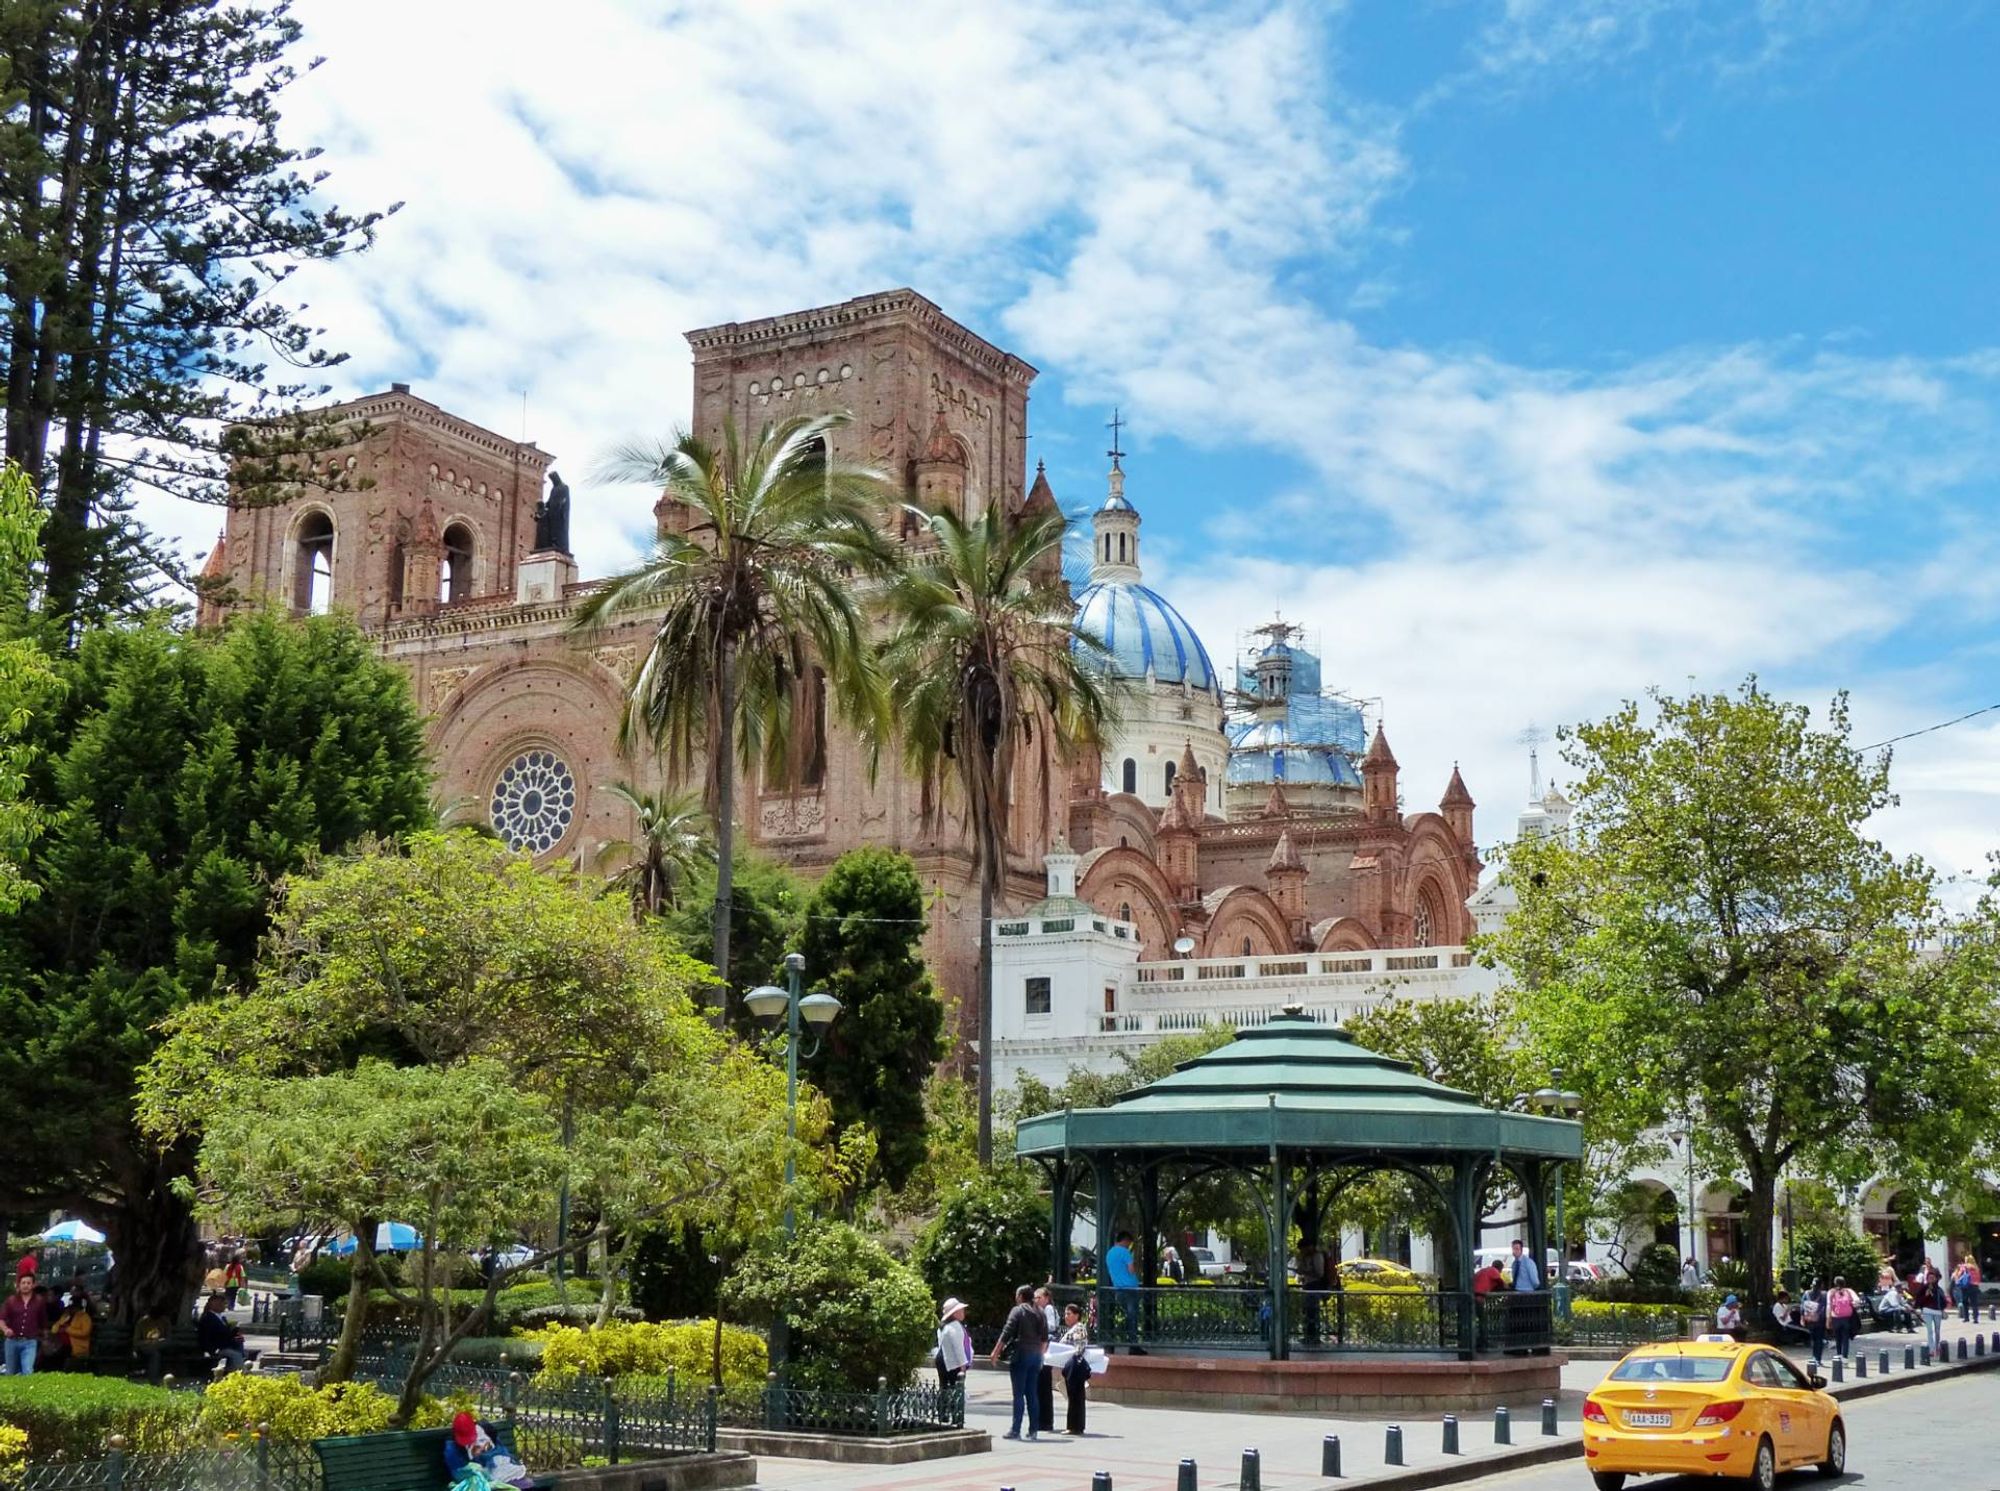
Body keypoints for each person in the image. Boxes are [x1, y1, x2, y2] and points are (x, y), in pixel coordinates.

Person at [990, 1284, 1049, 1442]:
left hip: (1021, 1354)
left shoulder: (1018, 1311)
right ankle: (1033, 1430)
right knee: (1032, 1394)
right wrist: (1040, 1356)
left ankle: (1016, 1429)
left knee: (1018, 1394)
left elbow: (1007, 1332)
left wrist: (995, 1352)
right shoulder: (1040, 1312)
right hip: (1036, 1355)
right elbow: (1045, 1338)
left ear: (1021, 1296)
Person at [444, 1411, 533, 1488]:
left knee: (521, 1482)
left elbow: (501, 1453)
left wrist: (485, 1453)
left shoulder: (485, 1432)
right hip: (477, 1478)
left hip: (495, 1469)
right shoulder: (451, 1448)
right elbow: (458, 1473)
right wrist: (473, 1469)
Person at [1, 1270, 48, 1375]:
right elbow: (1, 1319)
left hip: (30, 1342)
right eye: (23, 1283)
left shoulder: (39, 1301)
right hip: (12, 1341)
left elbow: (43, 1322)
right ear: (19, 1285)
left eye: (28, 1283)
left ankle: (27, 1391)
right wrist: (5, 1329)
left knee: (27, 1371)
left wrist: (45, 1339)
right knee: (10, 1372)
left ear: (33, 1285)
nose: (26, 1285)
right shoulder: (11, 1301)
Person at [1057, 1302, 1091, 1435]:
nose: (1066, 1316)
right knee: (1074, 1396)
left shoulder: (1078, 1328)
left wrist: (1073, 1356)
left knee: (1075, 1396)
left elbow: (1079, 1347)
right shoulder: (1073, 1328)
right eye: (1065, 1313)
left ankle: (1074, 1426)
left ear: (1077, 1315)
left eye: (1069, 1314)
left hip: (1075, 1365)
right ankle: (1076, 1426)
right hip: (1072, 1365)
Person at [1104, 1231, 1142, 1351]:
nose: (1129, 1245)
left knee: (1127, 1317)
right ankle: (1133, 1346)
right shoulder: (1125, 1252)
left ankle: (1114, 1341)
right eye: (1129, 1243)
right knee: (1133, 1318)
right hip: (1130, 1289)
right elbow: (1131, 1269)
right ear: (1125, 1241)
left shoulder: (1109, 1253)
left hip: (1118, 1290)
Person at [197, 1292, 247, 1374]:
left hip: (226, 1345)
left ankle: (233, 1374)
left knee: (241, 1350)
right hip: (217, 1348)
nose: (225, 1306)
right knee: (236, 1355)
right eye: (223, 1303)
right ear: (215, 1304)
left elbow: (226, 1334)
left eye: (225, 1303)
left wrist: (235, 1332)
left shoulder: (221, 1318)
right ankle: (241, 1375)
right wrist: (232, 1332)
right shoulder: (208, 1318)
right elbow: (214, 1336)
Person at [1033, 1286, 1059, 1433]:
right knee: (1041, 1386)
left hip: (1045, 1351)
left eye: (1039, 1298)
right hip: (1042, 1349)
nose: (1037, 1301)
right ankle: (1043, 1420)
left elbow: (1051, 1326)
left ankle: (1045, 1421)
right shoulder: (1042, 1310)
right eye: (1035, 1298)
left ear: (1046, 1298)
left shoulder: (1048, 1309)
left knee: (1043, 1386)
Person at [935, 1298, 972, 1394]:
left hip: (942, 1359)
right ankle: (952, 1408)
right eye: (961, 1310)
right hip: (953, 1362)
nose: (963, 1312)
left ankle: (942, 1408)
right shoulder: (955, 1326)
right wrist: (963, 1366)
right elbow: (958, 1348)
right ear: (954, 1313)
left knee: (943, 1388)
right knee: (955, 1389)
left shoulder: (943, 1326)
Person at [1912, 1264, 1946, 1356]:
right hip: (1927, 1311)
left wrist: (1942, 1309)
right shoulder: (1923, 1288)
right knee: (1930, 1330)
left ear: (1936, 1278)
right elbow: (1918, 1300)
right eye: (1929, 1278)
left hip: (1937, 1312)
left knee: (1937, 1331)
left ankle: (1937, 1347)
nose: (1930, 1279)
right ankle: (1931, 1349)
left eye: (1932, 1278)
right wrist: (1926, 1296)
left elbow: (1943, 1302)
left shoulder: (1938, 1290)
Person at [1826, 1275, 1861, 1359]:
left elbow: (1829, 1305)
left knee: (1838, 1338)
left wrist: (1828, 1319)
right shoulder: (1849, 1291)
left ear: (1835, 1283)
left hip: (1836, 1318)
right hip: (1847, 1318)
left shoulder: (1831, 1292)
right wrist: (1852, 1304)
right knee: (1845, 1338)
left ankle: (1839, 1355)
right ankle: (1845, 1357)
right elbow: (1857, 1301)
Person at [1798, 1279, 1828, 1365]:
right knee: (1819, 1339)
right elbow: (1826, 1307)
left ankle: (1814, 1357)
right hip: (1820, 1320)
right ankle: (1817, 1358)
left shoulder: (1806, 1293)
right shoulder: (1824, 1294)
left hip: (1809, 1320)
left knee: (1814, 1339)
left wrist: (1802, 1318)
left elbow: (1802, 1306)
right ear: (1821, 1285)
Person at [1953, 1254, 1982, 1322]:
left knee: (1965, 1302)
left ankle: (1966, 1317)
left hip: (1966, 1286)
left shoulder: (1964, 1267)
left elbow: (1958, 1275)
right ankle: (1975, 1318)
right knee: (1974, 1303)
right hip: (1975, 1286)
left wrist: (1957, 1277)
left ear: (1967, 1260)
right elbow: (1979, 1278)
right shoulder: (1976, 1268)